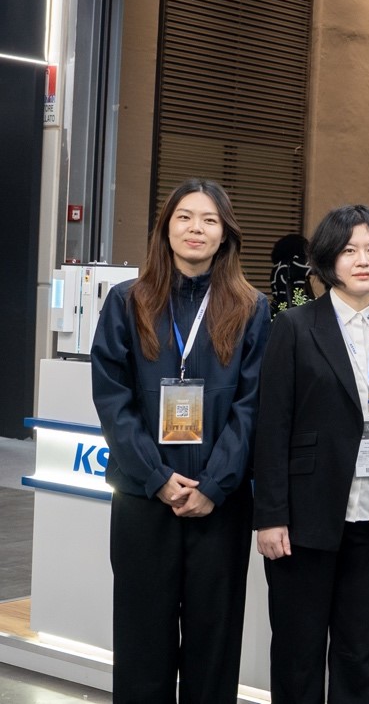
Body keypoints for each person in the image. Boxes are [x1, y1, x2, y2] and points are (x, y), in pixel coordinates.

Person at [91, 178, 270, 703]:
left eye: (209, 220)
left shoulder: (251, 308)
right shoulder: (128, 301)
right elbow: (113, 399)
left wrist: (214, 484)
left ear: (225, 235)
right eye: (185, 217)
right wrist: (157, 477)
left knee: (213, 650)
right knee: (142, 644)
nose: (196, 228)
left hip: (221, 505)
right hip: (143, 500)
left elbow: (252, 405)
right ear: (166, 228)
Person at [254, 204, 369, 704]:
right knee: (299, 651)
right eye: (349, 250)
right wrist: (270, 515)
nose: (363, 260)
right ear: (328, 260)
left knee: (361, 653)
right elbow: (272, 426)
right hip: (305, 517)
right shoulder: (294, 326)